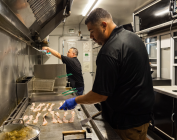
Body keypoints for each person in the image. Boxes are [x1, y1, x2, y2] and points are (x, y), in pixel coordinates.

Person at [59, 8, 155, 140]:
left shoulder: (109, 50)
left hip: (126, 123)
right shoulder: (134, 38)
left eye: (92, 31)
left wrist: (75, 100)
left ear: (104, 25)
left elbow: (100, 95)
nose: (91, 37)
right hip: (142, 117)